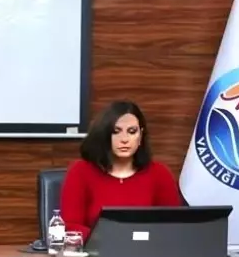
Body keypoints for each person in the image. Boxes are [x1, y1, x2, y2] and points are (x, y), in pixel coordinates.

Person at [59, 100, 184, 240]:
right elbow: (70, 226)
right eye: (116, 132)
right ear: (104, 135)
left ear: (141, 136)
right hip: (96, 251)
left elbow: (173, 226)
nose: (124, 139)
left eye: (132, 132)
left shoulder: (160, 174)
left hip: (147, 250)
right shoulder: (80, 171)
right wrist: (110, 239)